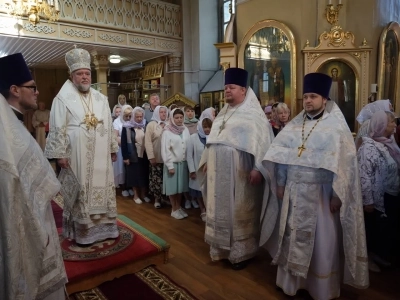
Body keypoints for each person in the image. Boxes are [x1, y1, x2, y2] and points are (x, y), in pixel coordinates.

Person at [262, 73, 369, 299]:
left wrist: (337, 197)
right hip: (293, 191)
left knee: (321, 243)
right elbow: (283, 157)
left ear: (324, 99)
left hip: (321, 195)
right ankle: (291, 284)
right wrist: (280, 183)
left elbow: (344, 167)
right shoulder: (293, 126)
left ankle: (320, 288)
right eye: (305, 97)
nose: (308, 101)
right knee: (292, 237)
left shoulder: (336, 128)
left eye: (313, 96)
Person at [0, 53, 67, 299]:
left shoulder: (12, 124)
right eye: (32, 88)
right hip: (24, 220)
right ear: (15, 90)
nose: (37, 92)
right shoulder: (6, 129)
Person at [198, 68, 274, 270]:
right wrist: (206, 161)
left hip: (241, 176)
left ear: (243, 90)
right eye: (225, 88)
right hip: (218, 175)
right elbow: (212, 141)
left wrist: (258, 168)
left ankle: (242, 253)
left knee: (237, 212)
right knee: (221, 211)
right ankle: (221, 250)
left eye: (231, 87)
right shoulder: (223, 114)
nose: (227, 91)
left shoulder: (254, 116)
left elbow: (264, 144)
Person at [44, 48, 119, 246]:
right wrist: (61, 154)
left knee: (104, 188)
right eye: (80, 74)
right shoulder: (62, 98)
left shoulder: (100, 98)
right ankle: (84, 233)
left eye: (87, 73)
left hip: (101, 152)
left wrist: (112, 147)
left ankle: (106, 228)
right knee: (82, 190)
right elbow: (58, 126)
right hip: (77, 153)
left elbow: (109, 124)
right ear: (72, 76)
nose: (84, 77)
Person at [358, 110, 400, 272]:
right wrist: (368, 201)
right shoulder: (368, 147)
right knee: (373, 229)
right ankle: (367, 258)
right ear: (382, 125)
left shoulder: (388, 143)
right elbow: (364, 176)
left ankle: (378, 254)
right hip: (376, 199)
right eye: (391, 122)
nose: (394, 125)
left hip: (391, 193)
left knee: (385, 229)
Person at [161, 108, 191, 219]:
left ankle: (178, 207)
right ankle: (173, 209)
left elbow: (188, 146)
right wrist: (169, 166)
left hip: (183, 163)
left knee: (180, 188)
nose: (179, 120)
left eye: (181, 117)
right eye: (176, 118)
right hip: (173, 164)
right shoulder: (167, 131)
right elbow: (165, 150)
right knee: (172, 188)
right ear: (172, 118)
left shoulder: (185, 129)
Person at [187, 108, 215, 222]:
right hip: (198, 169)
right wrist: (192, 170)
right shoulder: (193, 137)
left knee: (210, 190)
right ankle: (202, 210)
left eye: (209, 127)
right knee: (199, 191)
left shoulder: (213, 138)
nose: (207, 130)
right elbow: (189, 155)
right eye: (205, 127)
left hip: (211, 170)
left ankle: (210, 210)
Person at [121, 106, 150, 204]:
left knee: (143, 175)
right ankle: (136, 195)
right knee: (134, 176)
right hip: (132, 154)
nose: (139, 119)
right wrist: (125, 157)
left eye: (140, 117)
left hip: (144, 154)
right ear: (133, 116)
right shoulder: (127, 127)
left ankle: (143, 194)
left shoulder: (146, 125)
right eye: (137, 117)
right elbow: (124, 143)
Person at [145, 105, 169, 208]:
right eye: (161, 112)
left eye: (165, 112)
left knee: (166, 179)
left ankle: (166, 198)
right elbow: (148, 142)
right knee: (156, 179)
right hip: (157, 156)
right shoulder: (151, 125)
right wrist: (151, 156)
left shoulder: (169, 123)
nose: (163, 114)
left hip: (168, 158)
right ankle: (157, 199)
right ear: (156, 113)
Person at [113, 105, 127, 189]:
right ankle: (122, 185)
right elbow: (115, 136)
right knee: (121, 166)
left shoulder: (128, 119)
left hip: (128, 146)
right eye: (117, 112)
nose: (119, 113)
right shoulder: (116, 121)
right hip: (121, 146)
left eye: (120, 111)